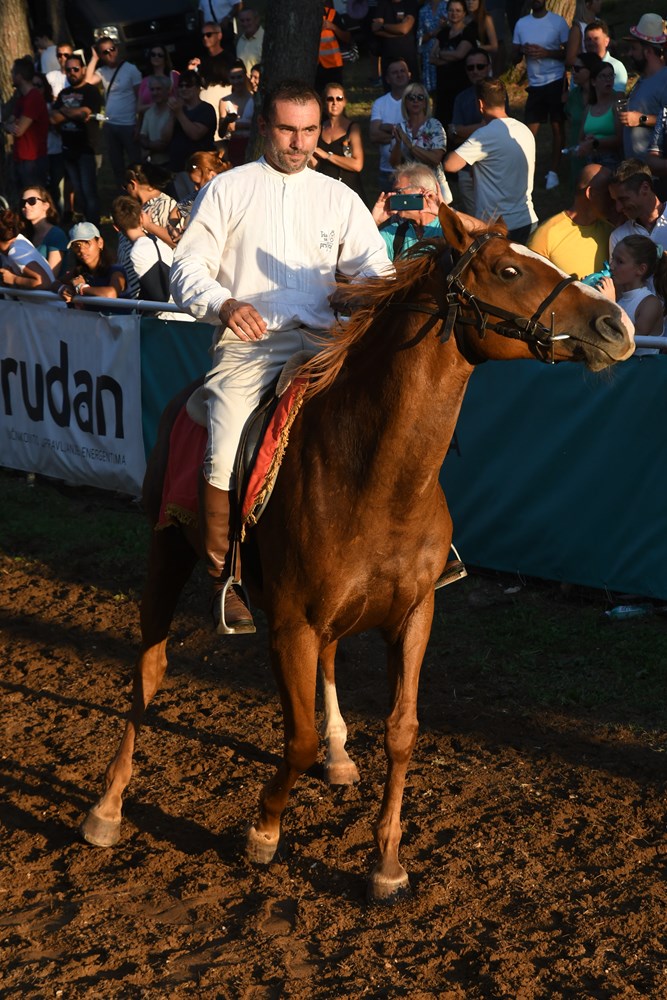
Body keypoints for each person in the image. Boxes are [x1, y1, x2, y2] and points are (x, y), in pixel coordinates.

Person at [170, 79, 392, 635]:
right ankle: (229, 578)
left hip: (325, 341)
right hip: (250, 343)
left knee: (391, 413)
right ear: (265, 127)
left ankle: (417, 547)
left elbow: (376, 270)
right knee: (224, 445)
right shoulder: (226, 189)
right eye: (288, 130)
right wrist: (222, 303)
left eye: (310, 131)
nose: (298, 142)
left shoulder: (339, 197)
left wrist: (359, 293)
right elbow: (187, 268)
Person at [444, 77, 537, 243]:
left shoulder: (484, 135)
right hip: (527, 220)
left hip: (499, 228)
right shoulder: (524, 130)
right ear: (504, 100)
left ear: (480, 104)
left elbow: (450, 165)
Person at [512, 0, 569, 192]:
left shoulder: (558, 22)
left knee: (557, 127)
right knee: (529, 132)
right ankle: (525, 172)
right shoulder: (522, 24)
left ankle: (553, 172)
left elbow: (568, 54)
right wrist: (521, 50)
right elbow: (513, 57)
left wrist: (547, 52)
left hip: (556, 80)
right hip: (534, 84)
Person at [111, 196, 190, 320]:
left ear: (116, 227)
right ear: (141, 218)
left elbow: (159, 297)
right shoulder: (159, 241)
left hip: (165, 322)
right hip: (181, 315)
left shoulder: (137, 251)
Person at [528, 163, 613, 279]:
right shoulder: (546, 235)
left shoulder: (612, 230)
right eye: (608, 194)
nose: (614, 200)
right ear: (591, 193)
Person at [51, 54, 102, 226]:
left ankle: (95, 228)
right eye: (68, 70)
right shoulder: (63, 93)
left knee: (89, 191)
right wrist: (74, 113)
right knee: (78, 192)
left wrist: (64, 111)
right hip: (68, 149)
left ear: (83, 70)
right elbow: (53, 119)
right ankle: (85, 225)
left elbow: (84, 113)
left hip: (86, 148)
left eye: (76, 69)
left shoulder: (91, 91)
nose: (72, 72)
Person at [84, 39, 142, 189]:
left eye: (112, 49)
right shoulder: (102, 71)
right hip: (110, 124)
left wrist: (139, 123)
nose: (110, 54)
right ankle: (123, 197)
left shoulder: (131, 69)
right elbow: (87, 82)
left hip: (129, 124)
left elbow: (139, 98)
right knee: (117, 165)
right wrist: (94, 59)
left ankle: (141, 194)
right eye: (105, 52)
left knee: (136, 164)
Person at [596, 236, 666, 351]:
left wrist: (610, 306)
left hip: (643, 367)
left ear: (641, 269)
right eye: (613, 259)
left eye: (620, 261)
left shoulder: (650, 303)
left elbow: (629, 343)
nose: (612, 266)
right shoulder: (617, 295)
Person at [389, 81, 451, 202]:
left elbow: (435, 159)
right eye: (411, 97)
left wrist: (409, 145)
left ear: (425, 103)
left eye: (420, 97)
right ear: (405, 102)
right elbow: (394, 164)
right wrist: (397, 143)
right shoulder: (400, 127)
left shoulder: (435, 125)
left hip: (434, 186)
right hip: (409, 187)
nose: (415, 101)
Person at [449, 48, 494, 213]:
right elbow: (453, 137)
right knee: (475, 221)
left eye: (480, 66)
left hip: (492, 170)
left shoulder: (497, 95)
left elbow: (496, 129)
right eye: (471, 67)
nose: (475, 71)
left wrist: (461, 130)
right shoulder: (461, 98)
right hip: (466, 170)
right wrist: (482, 127)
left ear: (489, 67)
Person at [617, 15, 667, 163]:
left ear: (648, 51)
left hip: (654, 177)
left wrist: (641, 119)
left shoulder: (664, 80)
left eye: (634, 48)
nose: (629, 53)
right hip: (636, 173)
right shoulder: (643, 79)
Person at [371, 162, 446, 257]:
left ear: (422, 192)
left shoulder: (446, 229)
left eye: (398, 192)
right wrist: (374, 221)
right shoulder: (395, 233)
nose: (393, 197)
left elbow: (471, 229)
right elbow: (359, 254)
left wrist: (446, 212)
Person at [311, 82, 365, 200]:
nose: (335, 102)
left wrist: (328, 156)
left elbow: (357, 165)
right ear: (324, 103)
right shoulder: (319, 128)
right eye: (330, 98)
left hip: (348, 190)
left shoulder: (353, 128)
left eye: (339, 98)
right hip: (323, 190)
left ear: (345, 102)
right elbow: (314, 164)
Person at [167, 70, 218, 193]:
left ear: (197, 88)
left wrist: (179, 113)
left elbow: (195, 134)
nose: (184, 89)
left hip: (199, 169)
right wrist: (173, 114)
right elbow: (165, 136)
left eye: (188, 85)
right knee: (183, 206)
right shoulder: (177, 109)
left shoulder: (206, 109)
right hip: (178, 167)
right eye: (181, 86)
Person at [3, 57, 49, 189]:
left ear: (19, 76)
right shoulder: (22, 99)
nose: (11, 76)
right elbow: (10, 122)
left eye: (13, 73)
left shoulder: (33, 98)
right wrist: (9, 125)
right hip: (21, 157)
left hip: (33, 159)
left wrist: (10, 125)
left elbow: (19, 130)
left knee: (34, 197)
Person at [430, 0, 478, 127]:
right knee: (443, 122)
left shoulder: (468, 32)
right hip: (443, 86)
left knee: (459, 121)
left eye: (458, 10)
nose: (454, 13)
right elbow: (431, 58)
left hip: (461, 84)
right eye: (451, 10)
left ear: (464, 13)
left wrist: (440, 53)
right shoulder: (443, 33)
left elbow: (460, 54)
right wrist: (451, 57)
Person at [609, 159, 667, 258]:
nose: (618, 208)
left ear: (645, 188)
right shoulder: (619, 237)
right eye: (615, 201)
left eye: (623, 199)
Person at [57, 222, 127, 302]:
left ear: (100, 243)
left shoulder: (116, 271)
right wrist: (63, 289)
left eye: (87, 243)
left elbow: (111, 294)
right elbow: (54, 284)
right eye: (76, 246)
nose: (82, 250)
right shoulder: (80, 273)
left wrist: (81, 287)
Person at [167, 150, 230, 239]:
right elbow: (177, 211)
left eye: (197, 183)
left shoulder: (229, 192)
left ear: (212, 175)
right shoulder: (198, 194)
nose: (195, 188)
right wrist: (171, 228)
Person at [369, 58, 412, 188]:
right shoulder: (380, 103)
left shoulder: (417, 101)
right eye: (394, 72)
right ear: (387, 79)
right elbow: (374, 136)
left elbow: (420, 136)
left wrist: (387, 128)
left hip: (413, 170)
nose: (399, 75)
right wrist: (403, 136)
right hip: (387, 172)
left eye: (402, 71)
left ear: (409, 75)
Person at [564, 52, 603, 189]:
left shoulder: (604, 96)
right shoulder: (573, 96)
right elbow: (569, 119)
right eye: (572, 68)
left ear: (591, 71)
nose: (573, 72)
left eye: (578, 69)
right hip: (577, 155)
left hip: (600, 156)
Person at [577, 60, 622, 171]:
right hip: (590, 159)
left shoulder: (617, 106)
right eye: (603, 76)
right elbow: (580, 138)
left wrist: (595, 142)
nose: (608, 80)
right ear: (593, 82)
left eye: (611, 75)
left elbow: (619, 139)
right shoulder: (589, 107)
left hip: (611, 160)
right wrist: (585, 144)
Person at [19, 186, 68, 277]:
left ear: (45, 206)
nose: (26, 205)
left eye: (32, 201)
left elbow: (51, 276)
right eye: (23, 202)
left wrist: (14, 279)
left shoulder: (56, 234)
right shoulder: (26, 235)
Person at [0, 209, 55, 290]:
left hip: (47, 302)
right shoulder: (6, 252)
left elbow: (44, 282)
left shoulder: (16, 251)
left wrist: (13, 279)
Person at [372, 0, 420, 83]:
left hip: (408, 56)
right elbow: (375, 29)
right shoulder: (383, 3)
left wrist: (383, 26)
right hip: (388, 55)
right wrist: (398, 32)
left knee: (411, 88)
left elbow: (404, 29)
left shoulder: (410, 3)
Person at [219, 60, 254, 166]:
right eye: (233, 78)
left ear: (245, 76)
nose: (236, 81)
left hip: (252, 144)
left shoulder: (255, 98)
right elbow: (221, 133)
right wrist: (226, 122)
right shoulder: (224, 101)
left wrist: (236, 124)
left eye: (239, 77)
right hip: (234, 146)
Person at [584, 19, 627, 94]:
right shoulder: (580, 67)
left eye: (596, 39)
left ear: (606, 41)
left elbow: (618, 99)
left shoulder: (616, 67)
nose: (591, 43)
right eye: (588, 39)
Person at [139, 77, 174, 167]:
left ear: (167, 90)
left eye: (159, 89)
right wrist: (151, 145)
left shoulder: (174, 111)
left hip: (171, 162)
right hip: (153, 163)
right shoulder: (149, 112)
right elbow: (142, 136)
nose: (155, 93)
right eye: (152, 89)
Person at [317, 4, 350, 93]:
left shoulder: (332, 14)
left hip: (333, 66)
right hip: (314, 67)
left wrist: (332, 26)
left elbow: (347, 38)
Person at [137, 46, 179, 115]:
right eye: (153, 54)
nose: (156, 57)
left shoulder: (174, 76)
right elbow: (138, 108)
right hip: (150, 121)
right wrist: (156, 106)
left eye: (160, 55)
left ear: (165, 58)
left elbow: (180, 100)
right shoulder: (145, 81)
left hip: (169, 118)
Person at [417, 0, 447, 94]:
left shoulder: (447, 7)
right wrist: (434, 32)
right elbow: (420, 38)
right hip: (428, 54)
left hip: (444, 50)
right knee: (431, 92)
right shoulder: (423, 11)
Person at [565, 0, 602, 67]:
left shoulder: (599, 23)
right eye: (597, 0)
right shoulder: (577, 28)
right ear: (587, 3)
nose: (601, 2)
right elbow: (570, 59)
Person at [236, 8, 264, 75]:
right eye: (242, 21)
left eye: (248, 20)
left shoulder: (265, 39)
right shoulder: (240, 40)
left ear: (257, 20)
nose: (245, 24)